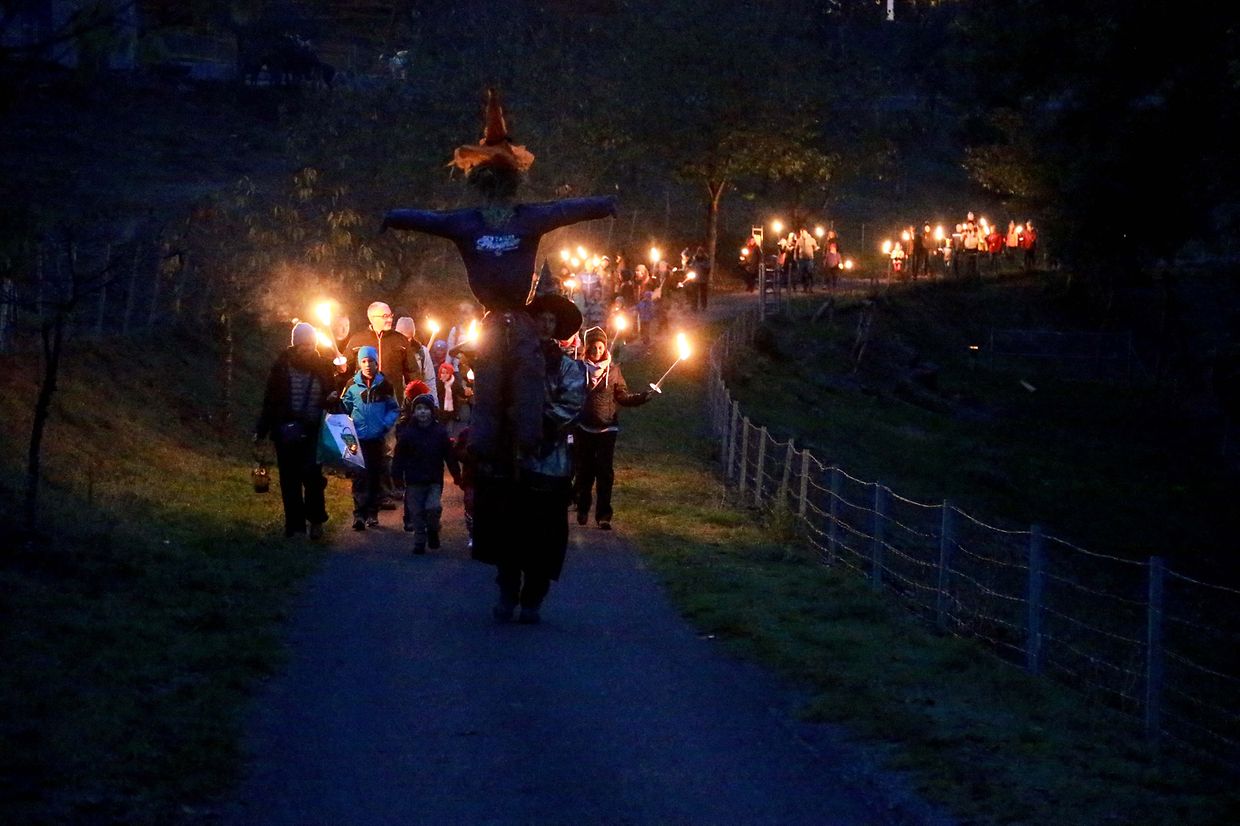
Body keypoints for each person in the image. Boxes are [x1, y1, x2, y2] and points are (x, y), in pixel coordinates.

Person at [382, 89, 615, 467]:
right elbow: (430, 219)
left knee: (528, 373)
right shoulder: (466, 222)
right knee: (488, 381)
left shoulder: (527, 217)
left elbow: (564, 209)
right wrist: (395, 216)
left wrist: (602, 205)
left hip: (519, 319)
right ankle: (484, 448)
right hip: (491, 319)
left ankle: (528, 442)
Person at [473, 293, 586, 625]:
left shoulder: (568, 367)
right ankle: (507, 593)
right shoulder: (509, 362)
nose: (545, 324)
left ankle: (533, 597)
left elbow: (571, 405)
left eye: (551, 320)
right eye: (540, 318)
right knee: (508, 532)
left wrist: (534, 418)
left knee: (544, 536)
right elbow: (492, 397)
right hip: (511, 461)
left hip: (549, 464)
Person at [255, 321, 338, 539]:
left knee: (313, 478)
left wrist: (331, 399)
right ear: (295, 344)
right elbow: (270, 400)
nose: (308, 347)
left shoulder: (323, 366)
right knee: (289, 480)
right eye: (303, 344)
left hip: (313, 431)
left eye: (311, 343)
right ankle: (295, 526)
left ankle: (316, 520)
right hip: (286, 431)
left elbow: (332, 393)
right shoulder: (281, 366)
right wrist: (261, 430)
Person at [574, 327, 652, 530]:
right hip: (584, 427)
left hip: (607, 429)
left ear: (605, 347)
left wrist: (642, 397)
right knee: (584, 471)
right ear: (587, 347)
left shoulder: (614, 371)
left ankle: (603, 515)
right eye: (593, 347)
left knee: (605, 473)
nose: (597, 351)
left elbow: (622, 397)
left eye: (600, 347)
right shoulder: (578, 369)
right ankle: (583, 508)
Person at [392, 392, 461, 554]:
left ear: (431, 411)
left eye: (426, 409)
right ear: (414, 412)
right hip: (414, 480)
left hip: (433, 479)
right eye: (419, 409)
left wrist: (456, 474)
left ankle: (433, 529)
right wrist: (397, 477)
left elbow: (449, 455)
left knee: (433, 507)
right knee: (416, 513)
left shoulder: (439, 432)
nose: (422, 412)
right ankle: (419, 541)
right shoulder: (408, 434)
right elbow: (399, 457)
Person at [340, 345, 399, 530]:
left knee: (374, 476)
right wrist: (346, 423)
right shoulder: (352, 385)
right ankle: (359, 514)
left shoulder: (385, 385)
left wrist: (384, 424)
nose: (367, 365)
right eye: (363, 361)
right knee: (359, 476)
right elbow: (345, 406)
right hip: (357, 439)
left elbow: (394, 408)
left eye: (370, 361)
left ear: (376, 362)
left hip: (376, 438)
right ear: (359, 363)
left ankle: (372, 513)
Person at [794, 227, 818, 293]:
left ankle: (810, 288)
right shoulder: (799, 240)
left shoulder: (812, 240)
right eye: (801, 233)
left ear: (806, 232)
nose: (802, 234)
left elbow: (815, 247)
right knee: (803, 274)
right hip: (802, 259)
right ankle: (805, 288)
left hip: (809, 259)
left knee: (810, 273)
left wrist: (816, 249)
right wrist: (795, 256)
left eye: (803, 232)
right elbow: (796, 248)